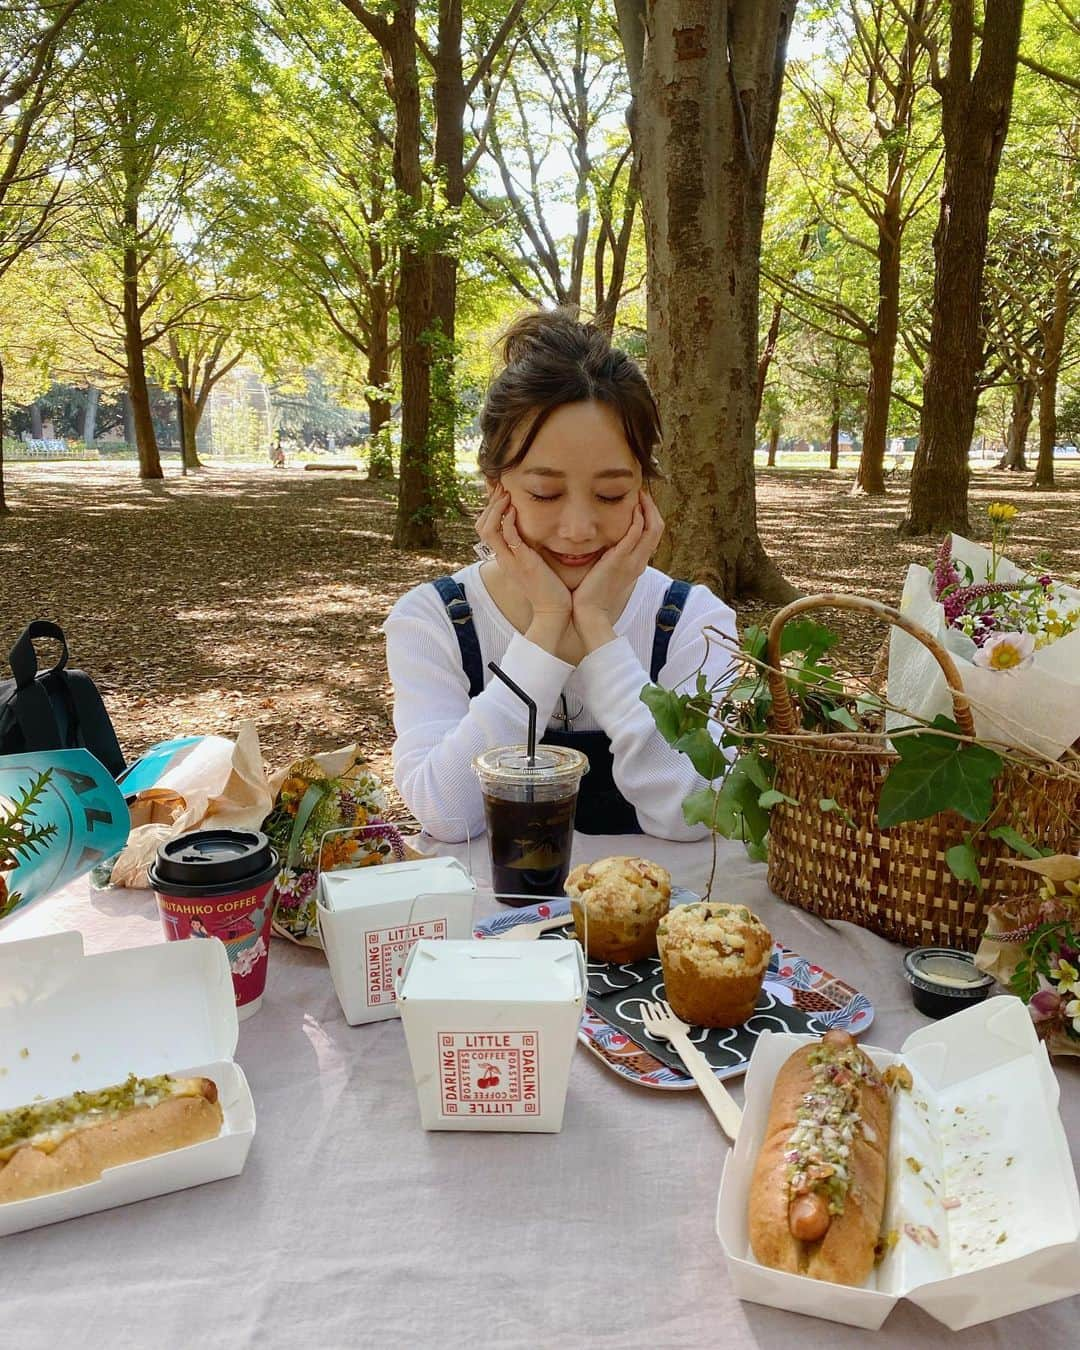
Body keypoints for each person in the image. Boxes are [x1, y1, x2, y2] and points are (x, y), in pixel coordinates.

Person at [383, 310, 739, 842]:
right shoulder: (433, 620)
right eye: (544, 494)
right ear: (494, 486)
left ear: (645, 490)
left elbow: (700, 809)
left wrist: (597, 630)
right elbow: (447, 813)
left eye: (611, 495)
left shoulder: (695, 622)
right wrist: (547, 630)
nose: (577, 529)